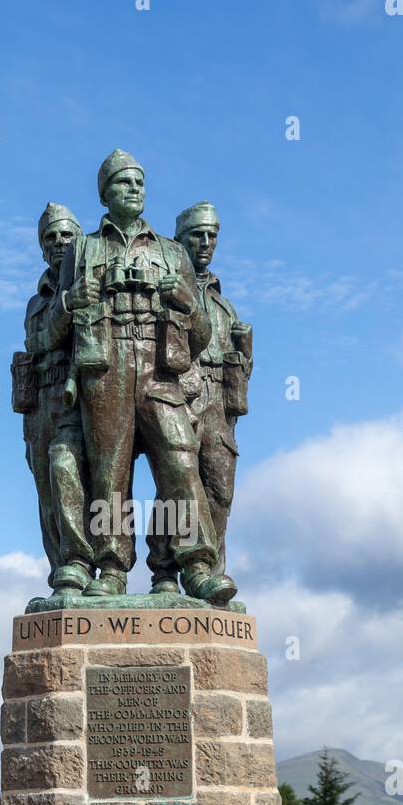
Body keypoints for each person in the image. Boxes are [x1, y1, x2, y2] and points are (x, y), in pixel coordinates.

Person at [53, 150, 236, 604]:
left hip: (159, 370)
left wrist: (188, 304)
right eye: (122, 183)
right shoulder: (83, 249)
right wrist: (72, 300)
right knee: (108, 473)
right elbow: (52, 332)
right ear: (104, 193)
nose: (134, 190)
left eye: (138, 183)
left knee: (179, 460)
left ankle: (194, 565)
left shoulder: (172, 252)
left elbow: (203, 335)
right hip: (106, 364)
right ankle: (112, 567)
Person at [147, 202, 252, 591]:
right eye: (198, 235)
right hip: (180, 391)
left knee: (219, 489)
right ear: (180, 241)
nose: (207, 243)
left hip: (219, 403)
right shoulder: (168, 290)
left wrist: (242, 364)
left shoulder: (225, 307)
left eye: (213, 235)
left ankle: (211, 572)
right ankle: (164, 570)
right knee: (175, 484)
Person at [11, 203, 93, 595]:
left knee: (72, 474)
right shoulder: (37, 301)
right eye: (51, 238)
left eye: (66, 235)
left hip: (78, 400)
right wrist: (64, 308)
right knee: (48, 496)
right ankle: (63, 573)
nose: (59, 243)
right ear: (42, 249)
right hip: (40, 402)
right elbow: (39, 340)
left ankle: (86, 563)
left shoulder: (93, 287)